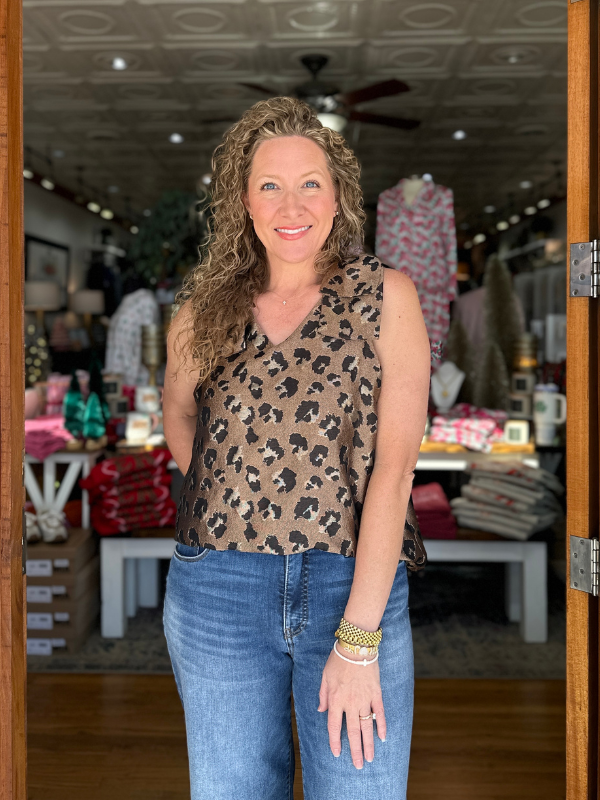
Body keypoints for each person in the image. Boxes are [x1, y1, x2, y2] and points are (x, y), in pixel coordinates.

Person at [162, 96, 431, 800]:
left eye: (311, 182)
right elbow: (178, 414)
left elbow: (395, 468)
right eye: (270, 185)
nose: (293, 204)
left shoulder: (386, 297)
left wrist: (358, 639)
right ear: (243, 202)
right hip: (218, 586)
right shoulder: (202, 310)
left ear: (339, 196)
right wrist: (234, 497)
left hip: (351, 582)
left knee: (360, 787)